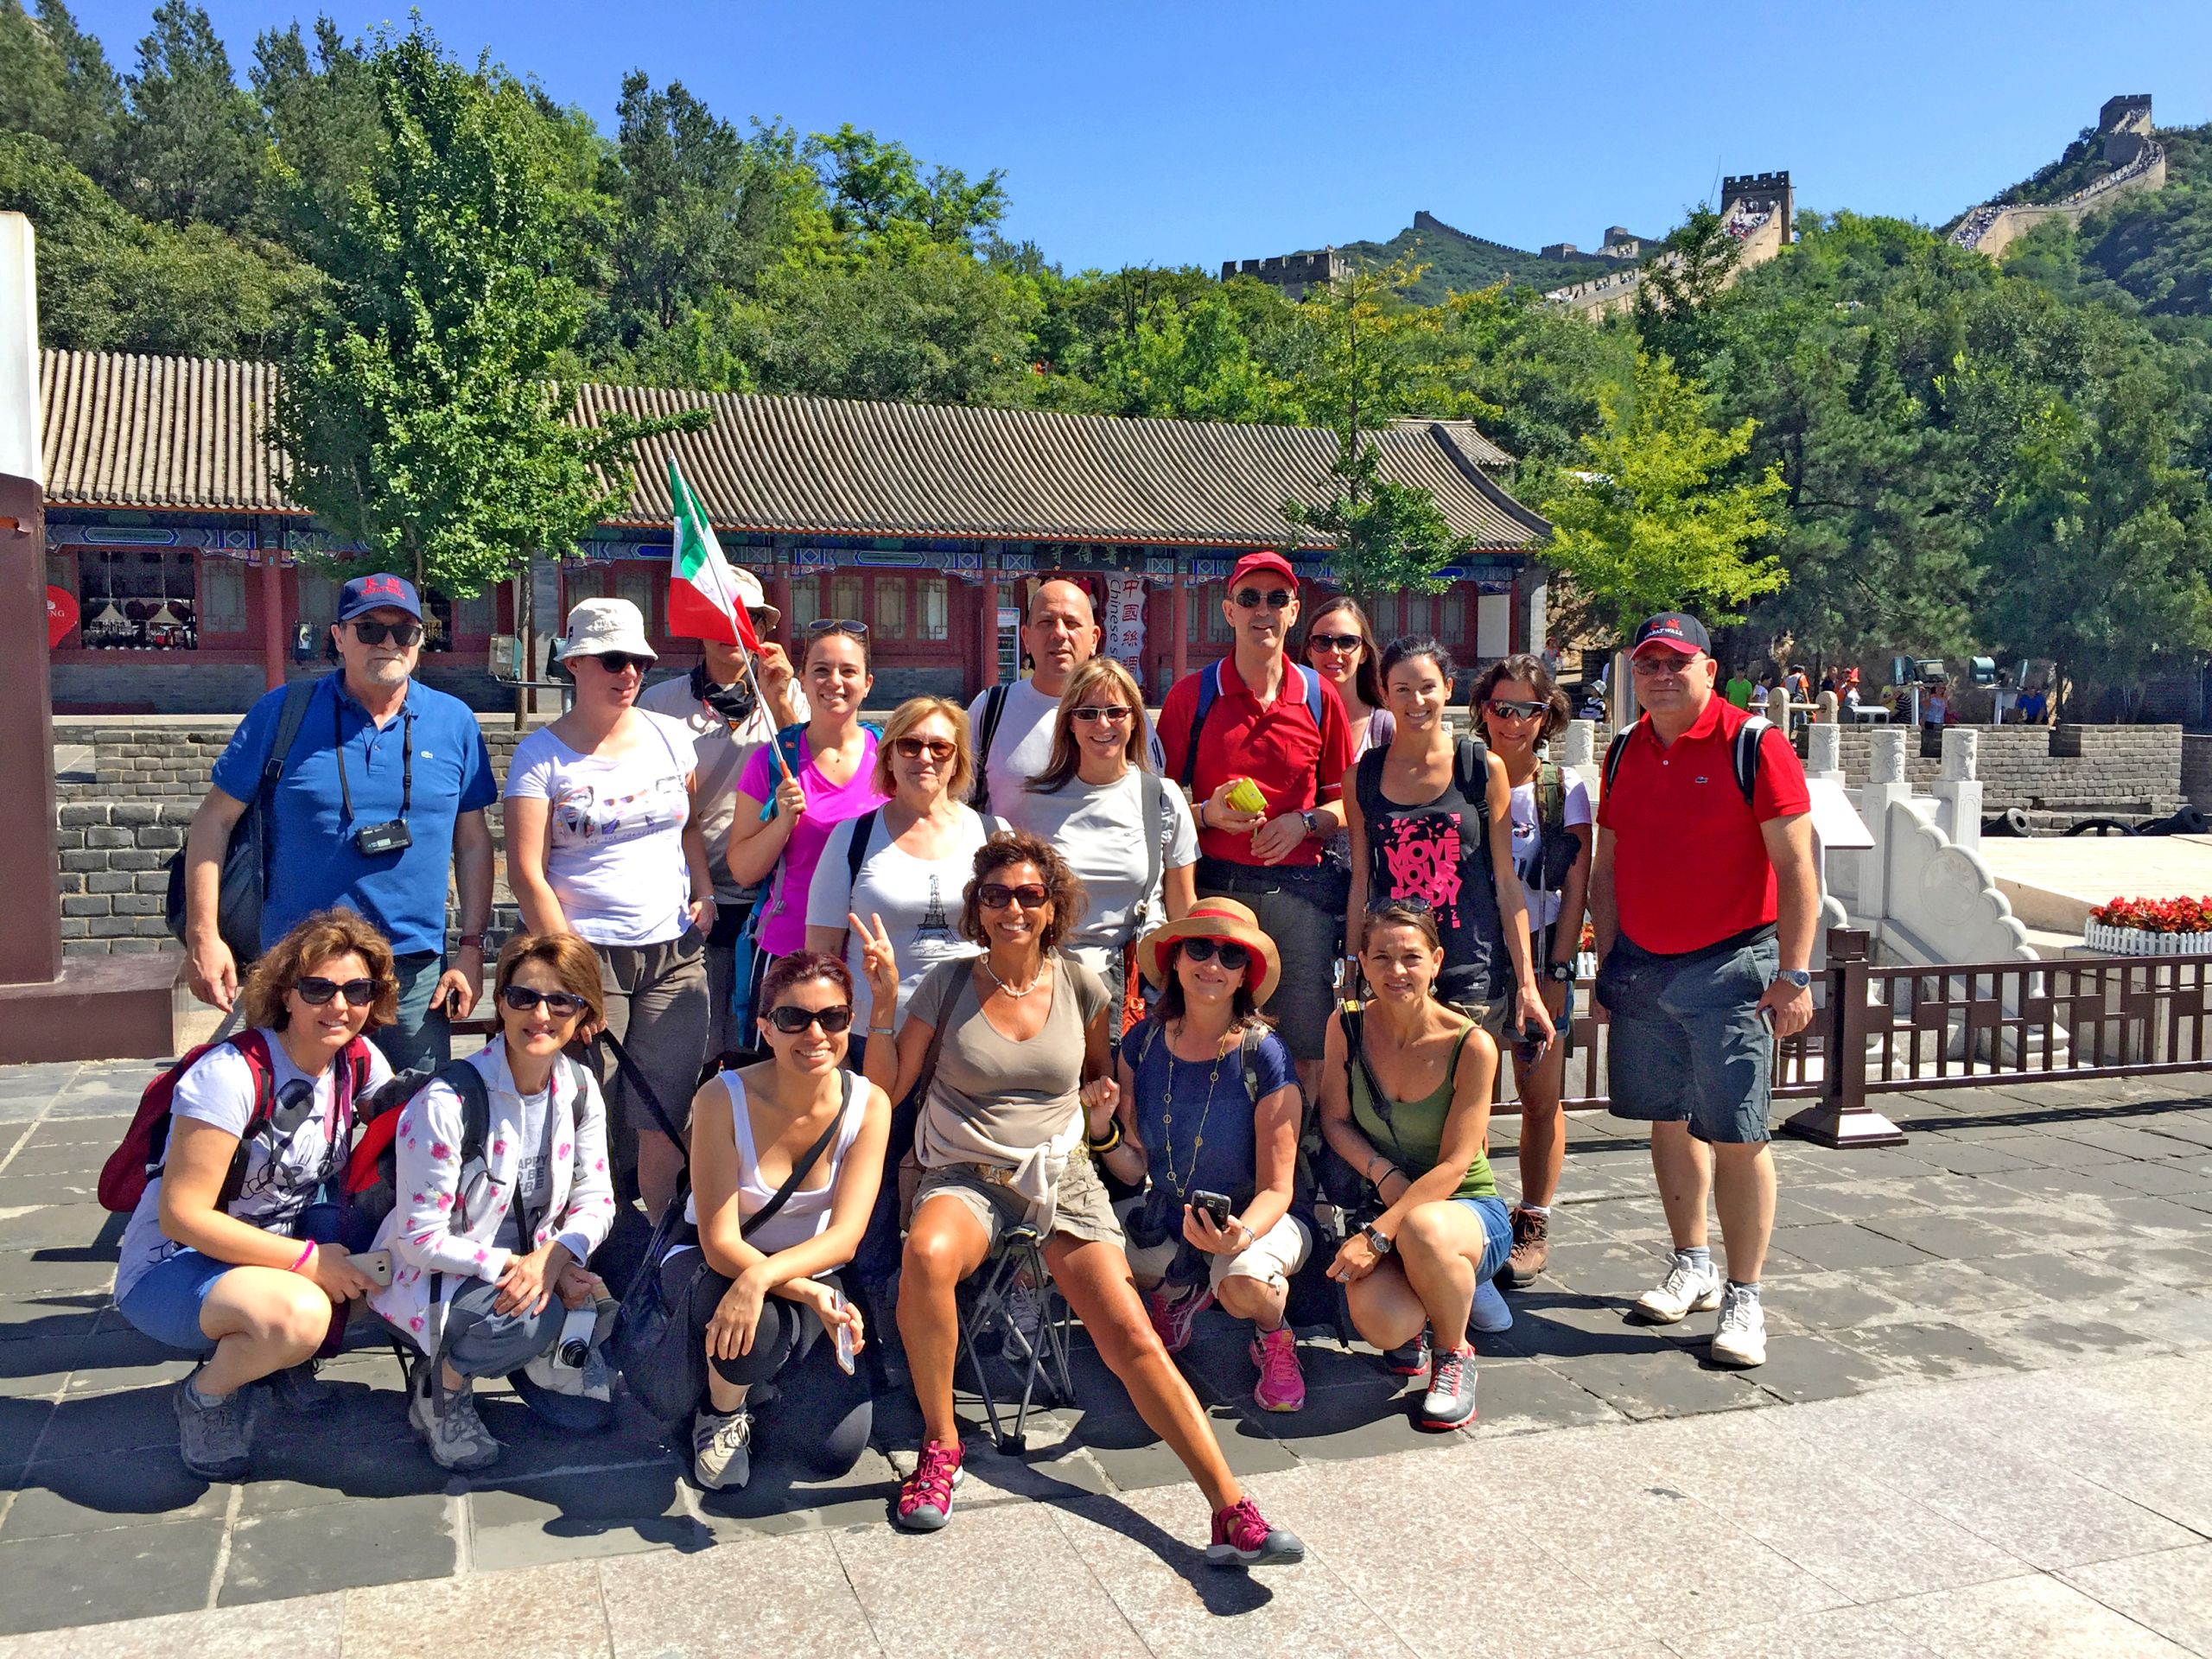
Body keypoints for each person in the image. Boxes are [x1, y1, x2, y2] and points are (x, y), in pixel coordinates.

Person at [855, 831, 1300, 1564]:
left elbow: (1099, 1084)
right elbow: (886, 1091)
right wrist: (879, 1004)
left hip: (1060, 1173)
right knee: (928, 1256)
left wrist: (1101, 1109)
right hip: (966, 1172)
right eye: (995, 895)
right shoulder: (947, 983)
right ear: (978, 906)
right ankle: (941, 1446)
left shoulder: (1084, 985)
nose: (1012, 909)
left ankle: (1229, 1504)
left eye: (1030, 894)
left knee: (1131, 1338)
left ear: (1052, 906)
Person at [1589, 612, 1817, 1371]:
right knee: (1667, 1118)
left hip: (1732, 965)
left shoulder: (1754, 743)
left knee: (1739, 1133)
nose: (1660, 675)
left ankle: (1745, 1293)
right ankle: (1692, 1259)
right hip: (1646, 963)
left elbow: (1796, 869)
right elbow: (1609, 864)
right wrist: (1607, 958)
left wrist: (1794, 972)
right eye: (1648, 664)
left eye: (1676, 663)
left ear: (1708, 670)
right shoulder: (1623, 750)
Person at [113, 910, 397, 1478]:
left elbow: (408, 1135)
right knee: (300, 1313)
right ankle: (207, 1397)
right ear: (287, 993)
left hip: (271, 1253)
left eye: (356, 990)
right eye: (318, 989)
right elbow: (181, 1216)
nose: (338, 1006)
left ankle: (275, 1361)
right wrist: (309, 1262)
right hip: (174, 1268)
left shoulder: (357, 1062)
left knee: (400, 1267)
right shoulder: (232, 1073)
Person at [182, 575, 495, 1073]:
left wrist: (473, 949)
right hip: (299, 970)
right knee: (284, 1125)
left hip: (411, 970)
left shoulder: (453, 721)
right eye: (370, 629)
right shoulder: (284, 712)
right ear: (338, 636)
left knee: (412, 1126)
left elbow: (474, 843)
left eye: (405, 632)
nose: (389, 643)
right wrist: (205, 935)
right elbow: (213, 823)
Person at [372, 931, 620, 1471]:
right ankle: (442, 1387)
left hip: (532, 1264)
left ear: (585, 1015)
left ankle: (536, 1351)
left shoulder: (578, 1087)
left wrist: (555, 1259)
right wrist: (526, 1268)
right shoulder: (448, 1102)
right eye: (523, 997)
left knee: (620, 1270)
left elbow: (598, 1196)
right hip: (443, 1272)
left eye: (562, 1001)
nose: (541, 1014)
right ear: (500, 1002)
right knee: (534, 1319)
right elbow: (420, 1239)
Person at [505, 598, 715, 1223]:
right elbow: (525, 871)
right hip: (586, 953)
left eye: (640, 662)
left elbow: (690, 828)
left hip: (673, 951)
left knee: (664, 1116)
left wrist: (703, 891)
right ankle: (575, 1254)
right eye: (613, 660)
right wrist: (571, 978)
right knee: (585, 1111)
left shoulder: (671, 736)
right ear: (574, 663)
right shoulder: (540, 756)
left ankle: (658, 1254)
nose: (628, 674)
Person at [680, 951, 888, 1492]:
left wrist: (774, 1280)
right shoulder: (721, 1099)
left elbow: (846, 1236)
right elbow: (719, 1242)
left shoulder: (870, 1105)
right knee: (760, 1320)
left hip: (803, 1267)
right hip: (720, 1265)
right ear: (765, 1029)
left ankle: (760, 1384)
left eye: (833, 1018)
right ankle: (718, 1412)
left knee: (834, 1452)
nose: (814, 1034)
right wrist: (777, 1285)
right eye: (793, 1019)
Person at [1159, 550, 1355, 1103]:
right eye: (1249, 599)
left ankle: (1295, 1165)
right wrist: (1206, 815)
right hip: (1218, 891)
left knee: (1305, 1042)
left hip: (1301, 898)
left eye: (1276, 600)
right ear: (1228, 611)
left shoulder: (1319, 697)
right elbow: (1153, 804)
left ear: (1294, 612)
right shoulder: (1191, 697)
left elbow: (1346, 803)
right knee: (1209, 1035)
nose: (1262, 611)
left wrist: (1306, 821)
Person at [1099, 900, 1306, 1413]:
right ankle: (1183, 1288)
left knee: (1241, 1283)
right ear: (1174, 960)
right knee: (1087, 1257)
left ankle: (1273, 1336)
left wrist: (1241, 1235)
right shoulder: (1141, 1044)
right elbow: (1134, 1166)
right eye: (1198, 948)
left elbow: (1279, 1188)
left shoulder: (1264, 1053)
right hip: (1171, 1215)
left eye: (1231, 955)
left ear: (1245, 977)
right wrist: (1101, 1130)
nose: (1212, 965)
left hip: (1260, 1217)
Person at [1319, 901, 1513, 1430]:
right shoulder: (1348, 1025)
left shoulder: (1472, 1045)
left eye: (1410, 957)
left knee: (1426, 1228)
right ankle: (1434, 1301)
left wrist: (1379, 1235)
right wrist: (1384, 1175)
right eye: (1381, 957)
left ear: (1436, 961)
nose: (1396, 971)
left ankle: (1454, 1353)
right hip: (1390, 1204)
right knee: (1383, 1325)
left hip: (1463, 1208)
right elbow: (1334, 1121)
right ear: (1361, 961)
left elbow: (1455, 1164)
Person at [1344, 636, 1552, 1050]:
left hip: (1471, 970)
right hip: (1395, 972)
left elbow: (1507, 885)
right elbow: (1361, 883)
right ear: (1384, 693)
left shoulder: (1481, 768)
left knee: (1468, 1106)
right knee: (1402, 1105)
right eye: (1401, 689)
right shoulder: (1362, 777)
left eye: (1427, 687)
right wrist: (1353, 972)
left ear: (1448, 689)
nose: (1415, 700)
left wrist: (1527, 983)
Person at [638, 567, 805, 1067]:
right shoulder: (660, 704)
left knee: (765, 1041)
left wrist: (779, 701)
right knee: (695, 1044)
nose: (737, 630)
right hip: (694, 894)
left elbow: (813, 775)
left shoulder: (788, 696)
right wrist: (698, 889)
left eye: (750, 619)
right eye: (723, 617)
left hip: (773, 894)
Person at [1472, 653, 1592, 1287]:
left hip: (1544, 947)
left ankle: (1534, 1217)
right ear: (1483, 709)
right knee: (1473, 1097)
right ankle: (1483, 1215)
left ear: (1549, 717)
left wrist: (1558, 965)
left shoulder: (1561, 787)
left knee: (1540, 1095)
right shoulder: (1466, 775)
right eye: (1503, 708)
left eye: (1530, 710)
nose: (1514, 722)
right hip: (1475, 949)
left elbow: (1576, 881)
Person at [726, 622, 887, 1053]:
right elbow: (742, 869)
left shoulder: (892, 758)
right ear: (802, 679)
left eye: (848, 671)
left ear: (867, 683)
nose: (834, 682)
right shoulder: (772, 762)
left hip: (873, 955)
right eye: (821, 669)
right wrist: (781, 822)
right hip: (789, 954)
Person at [1004, 657, 1197, 1001]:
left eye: (1115, 711)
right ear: (1070, 724)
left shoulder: (1162, 797)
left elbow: (1182, 907)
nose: (1102, 723)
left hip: (1138, 986)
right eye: (1087, 713)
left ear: (1135, 720)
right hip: (1054, 982)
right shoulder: (1032, 803)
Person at [804, 697, 999, 1024]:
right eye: (909, 745)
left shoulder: (993, 834)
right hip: (873, 1030)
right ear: (890, 758)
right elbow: (821, 952)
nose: (925, 757)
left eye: (940, 748)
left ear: (957, 762)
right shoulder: (851, 837)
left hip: (971, 1033)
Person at [966, 578, 1160, 820]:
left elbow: (1154, 801)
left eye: (1071, 623)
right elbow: (957, 803)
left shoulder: (1123, 713)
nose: (1059, 633)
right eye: (1046, 622)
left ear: (1093, 638)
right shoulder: (990, 709)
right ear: (1026, 638)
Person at [1301, 595, 1394, 760]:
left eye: (1347, 641)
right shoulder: (1289, 721)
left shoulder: (1385, 729)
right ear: (1309, 651)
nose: (1335, 652)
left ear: (1364, 653)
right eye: (1323, 641)